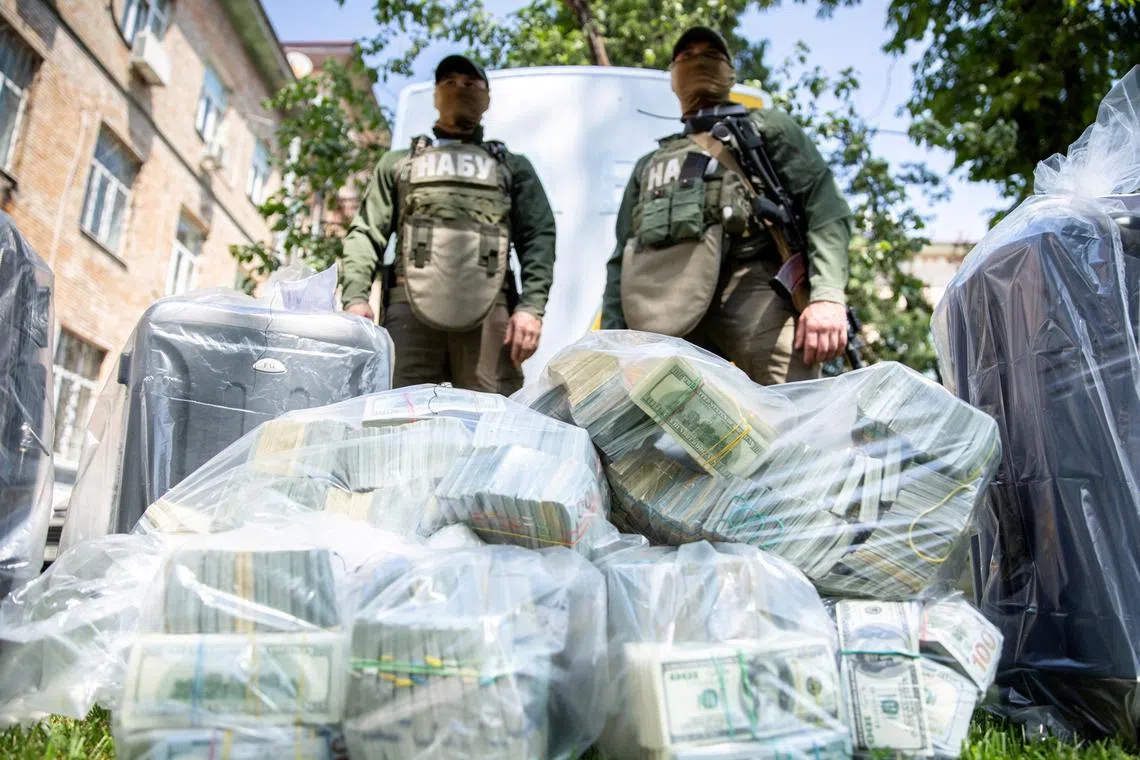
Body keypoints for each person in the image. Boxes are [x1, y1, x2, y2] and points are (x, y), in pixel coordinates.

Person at [601, 27, 854, 385]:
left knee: (797, 406)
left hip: (752, 287)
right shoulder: (651, 163)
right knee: (638, 425)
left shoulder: (766, 129)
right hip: (659, 303)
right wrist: (610, 340)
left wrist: (826, 297)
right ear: (673, 78)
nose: (697, 61)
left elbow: (825, 209)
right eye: (686, 56)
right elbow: (622, 256)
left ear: (730, 73)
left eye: (711, 55)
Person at [341, 54, 556, 395]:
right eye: (450, 83)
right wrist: (355, 297)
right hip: (409, 308)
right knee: (397, 418)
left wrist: (530, 309)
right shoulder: (400, 164)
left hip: (489, 314)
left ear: (486, 97)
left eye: (471, 84)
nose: (460, 90)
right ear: (436, 95)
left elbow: (539, 238)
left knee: (491, 426)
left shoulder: (512, 167)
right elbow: (367, 233)